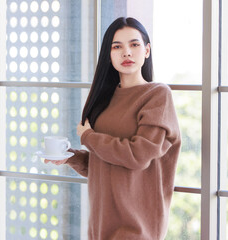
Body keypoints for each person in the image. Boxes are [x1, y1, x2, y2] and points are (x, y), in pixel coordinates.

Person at [45, 17, 181, 240]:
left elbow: (137, 156)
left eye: (134, 45)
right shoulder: (104, 98)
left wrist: (89, 136)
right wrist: (71, 157)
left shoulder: (157, 95)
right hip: (100, 226)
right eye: (117, 46)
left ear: (147, 50)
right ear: (108, 55)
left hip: (138, 227)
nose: (126, 52)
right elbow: (106, 164)